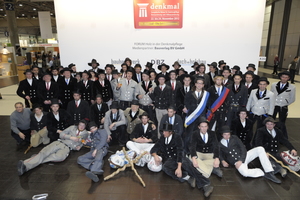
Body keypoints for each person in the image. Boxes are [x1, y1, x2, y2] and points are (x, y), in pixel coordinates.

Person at [150, 124, 214, 197]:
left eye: (165, 131)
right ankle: (187, 177)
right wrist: (155, 155)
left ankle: (206, 184)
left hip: (179, 157)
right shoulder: (162, 138)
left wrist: (179, 167)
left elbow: (180, 152)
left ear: (170, 132)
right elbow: (154, 148)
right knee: (165, 168)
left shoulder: (177, 137)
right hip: (170, 160)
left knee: (188, 165)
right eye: (163, 131)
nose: (163, 133)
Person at [17, 120, 89, 176]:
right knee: (44, 152)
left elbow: (82, 141)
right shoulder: (72, 128)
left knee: (60, 158)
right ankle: (25, 165)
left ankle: (37, 158)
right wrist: (70, 137)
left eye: (83, 126)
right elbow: (61, 134)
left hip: (67, 148)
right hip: (59, 143)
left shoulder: (85, 133)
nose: (81, 127)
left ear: (85, 126)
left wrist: (78, 147)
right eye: (80, 125)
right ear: (78, 124)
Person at [149, 74, 172, 138]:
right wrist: (150, 93)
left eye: (163, 79)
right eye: (160, 79)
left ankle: (168, 136)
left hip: (165, 108)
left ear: (164, 80)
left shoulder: (168, 88)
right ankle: (160, 137)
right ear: (158, 80)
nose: (161, 81)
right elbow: (154, 98)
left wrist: (170, 108)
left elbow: (171, 99)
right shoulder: (156, 88)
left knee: (167, 123)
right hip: (158, 108)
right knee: (159, 123)